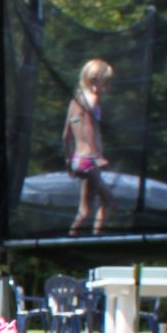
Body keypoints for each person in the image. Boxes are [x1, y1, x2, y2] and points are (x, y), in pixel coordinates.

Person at [64, 59, 114, 235]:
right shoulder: (92, 100)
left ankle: (96, 234)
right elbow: (88, 128)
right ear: (94, 81)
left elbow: (66, 135)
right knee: (85, 210)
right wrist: (96, 156)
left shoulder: (75, 101)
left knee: (106, 197)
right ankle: (72, 238)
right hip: (89, 160)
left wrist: (69, 160)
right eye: (104, 82)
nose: (106, 87)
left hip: (78, 159)